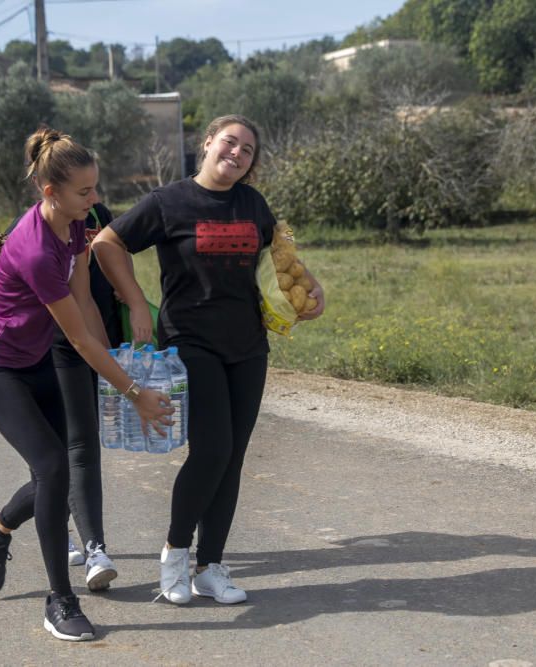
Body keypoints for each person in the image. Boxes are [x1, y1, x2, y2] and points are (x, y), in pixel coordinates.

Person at [92, 114, 324, 606]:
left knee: (233, 457)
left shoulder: (252, 204)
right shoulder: (168, 202)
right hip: (191, 342)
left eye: (247, 150)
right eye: (230, 142)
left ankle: (210, 567)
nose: (237, 153)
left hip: (248, 345)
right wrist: (134, 299)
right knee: (213, 450)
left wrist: (308, 289)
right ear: (207, 144)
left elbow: (276, 259)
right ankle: (175, 555)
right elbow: (107, 241)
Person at [0, 127, 171, 641]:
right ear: (50, 191)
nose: (95, 201)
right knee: (53, 466)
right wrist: (133, 392)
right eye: (85, 191)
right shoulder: (33, 249)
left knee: (55, 475)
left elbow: (89, 308)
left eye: (95, 188)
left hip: (36, 362)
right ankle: (60, 600)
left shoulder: (76, 227)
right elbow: (77, 337)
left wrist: (122, 368)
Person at [5, 200, 124, 590]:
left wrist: (126, 299)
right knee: (53, 457)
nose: (89, 195)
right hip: (44, 348)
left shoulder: (95, 216)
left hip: (87, 340)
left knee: (83, 446)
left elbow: (102, 274)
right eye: (82, 188)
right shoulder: (27, 230)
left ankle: (95, 548)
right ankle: (42, 529)